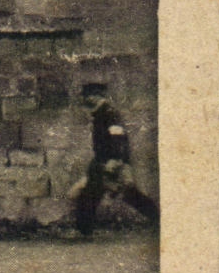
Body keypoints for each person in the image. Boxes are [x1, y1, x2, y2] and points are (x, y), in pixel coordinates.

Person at [67, 82, 158, 236]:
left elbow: (119, 138)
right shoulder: (101, 114)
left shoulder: (108, 114)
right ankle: (83, 230)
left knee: (121, 194)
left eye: (87, 96)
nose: (85, 100)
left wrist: (116, 160)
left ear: (95, 97)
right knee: (92, 194)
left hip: (110, 162)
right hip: (104, 162)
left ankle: (158, 218)